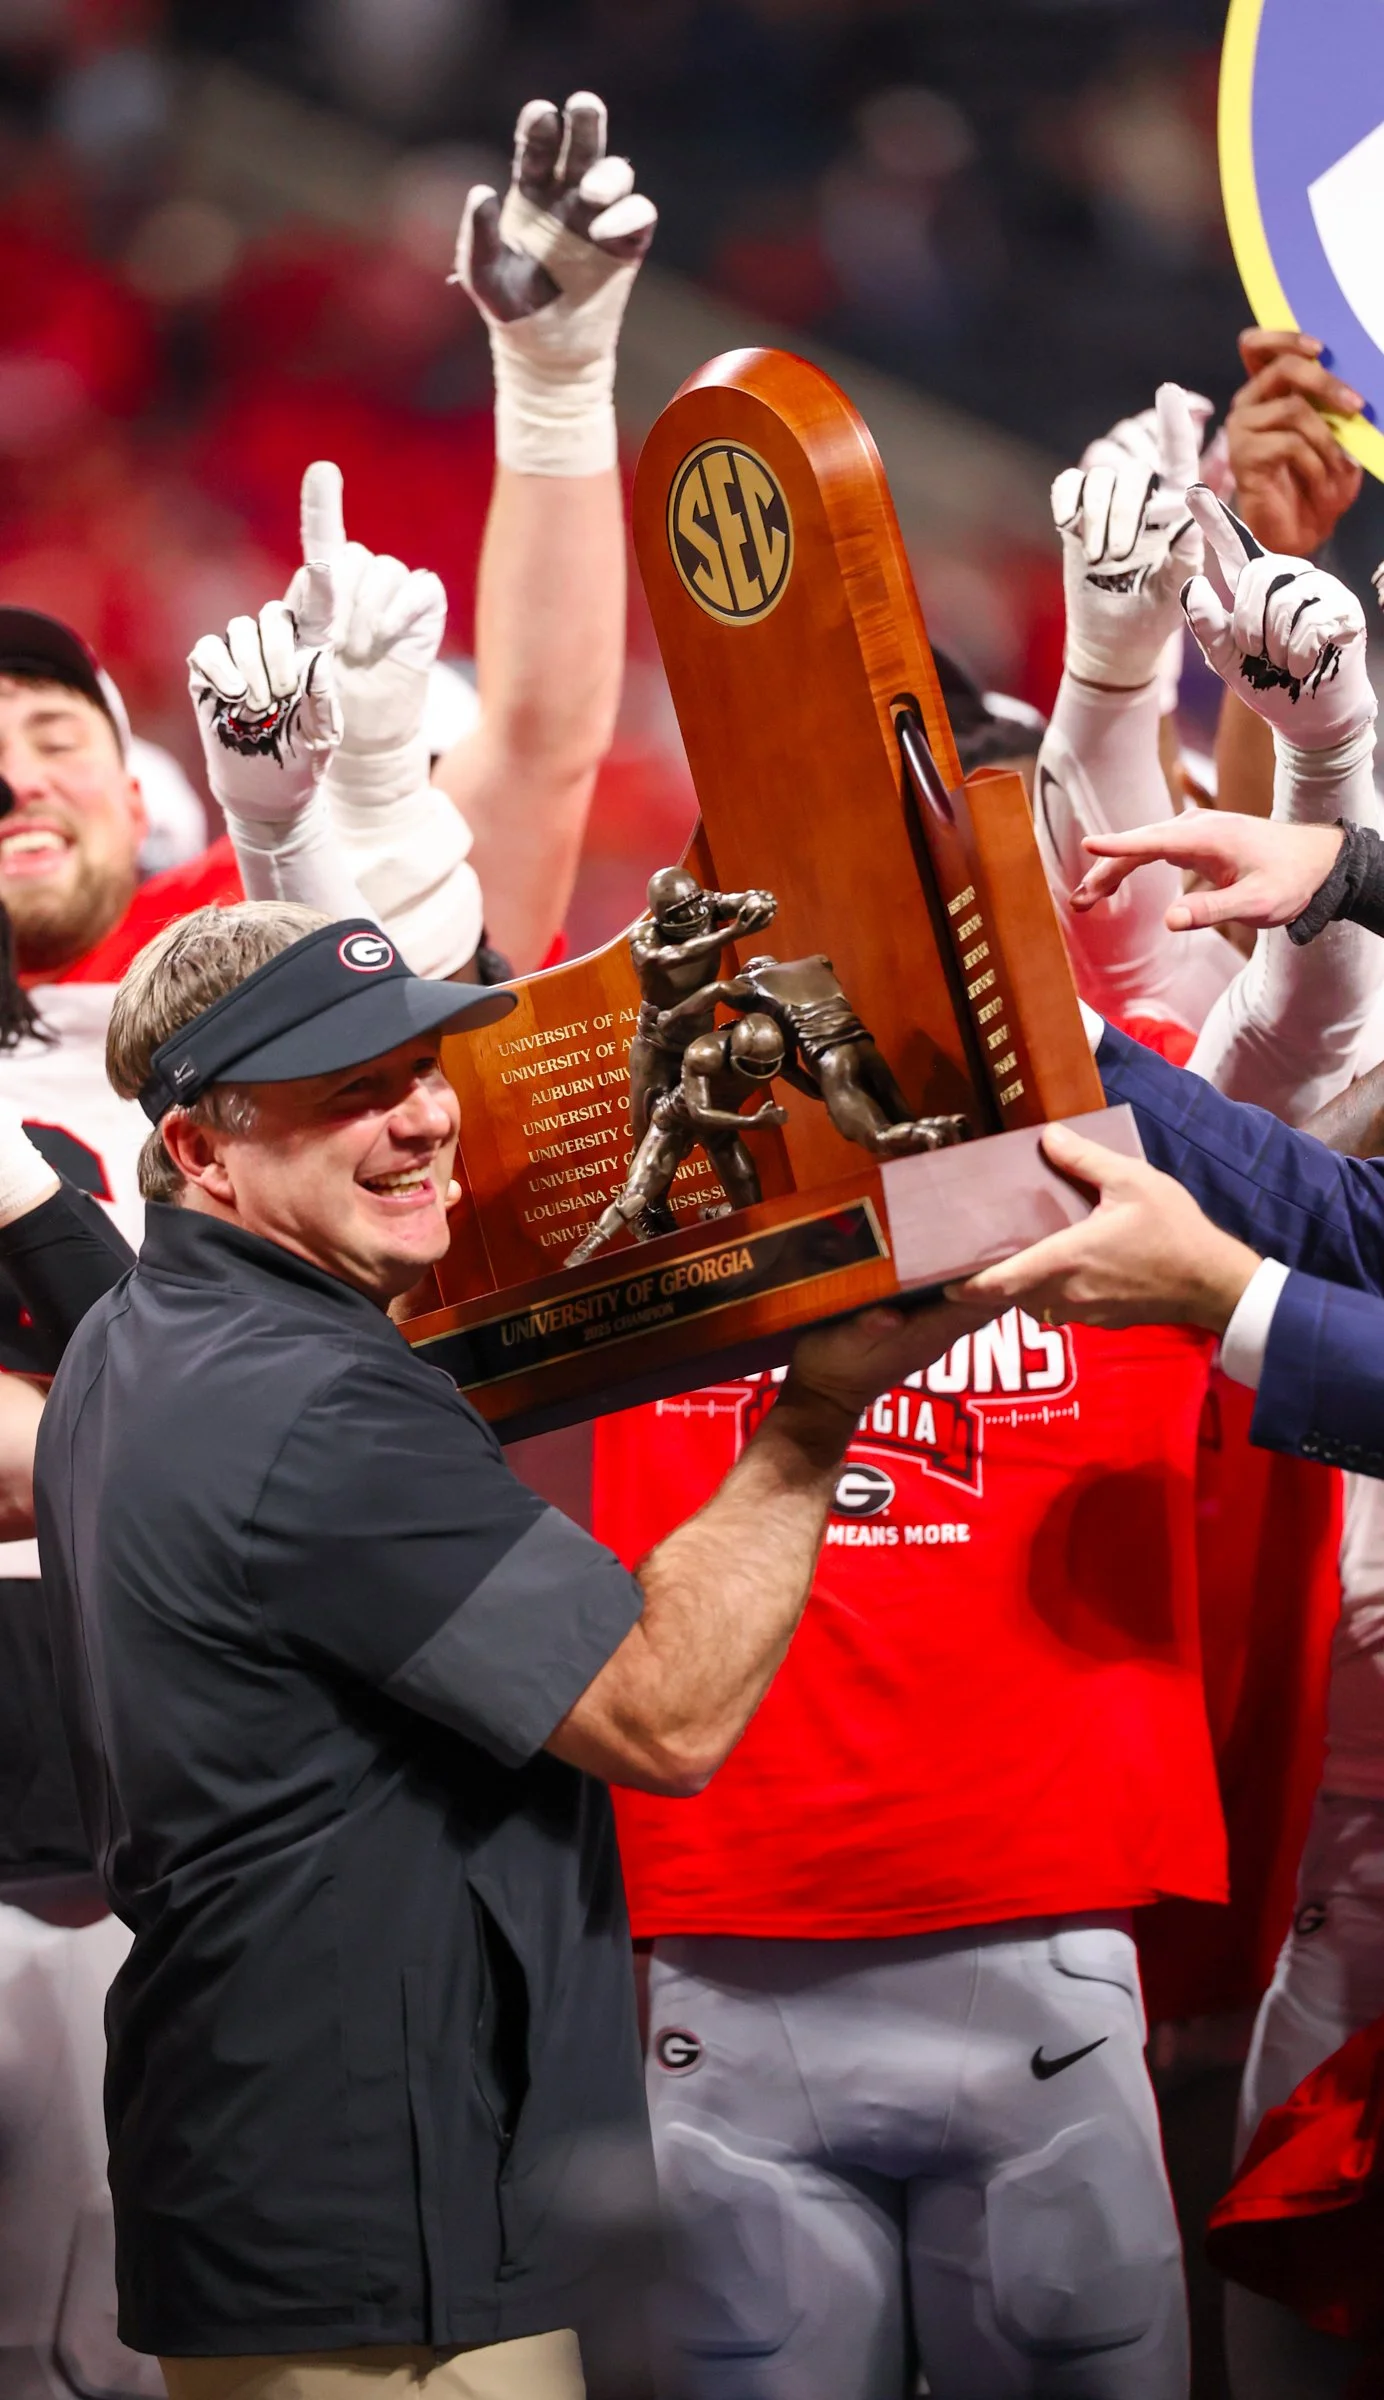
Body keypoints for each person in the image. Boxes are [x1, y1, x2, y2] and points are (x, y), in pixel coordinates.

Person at [0, 84, 657, 2400]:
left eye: (52, 728)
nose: (20, 778)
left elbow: (546, 773)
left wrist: (553, 394)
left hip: (235, 1859)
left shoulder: (240, 1004)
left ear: (136, 766)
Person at [33, 897, 981, 2400]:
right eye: (349, 1094)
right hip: (380, 2237)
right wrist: (811, 1417)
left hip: (287, 2177)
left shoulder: (145, 1332)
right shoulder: (314, 1405)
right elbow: (666, 1714)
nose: (420, 1123)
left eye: (418, 1070)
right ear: (203, 1151)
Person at [566, 1014, 788, 1266]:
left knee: (747, 1188)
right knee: (636, 1194)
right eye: (752, 1067)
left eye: (765, 1068)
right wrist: (753, 1121)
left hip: (717, 1124)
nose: (758, 1073)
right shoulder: (703, 1054)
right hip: (674, 1123)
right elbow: (699, 1113)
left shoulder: (769, 1055)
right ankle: (584, 1251)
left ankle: (719, 1216)